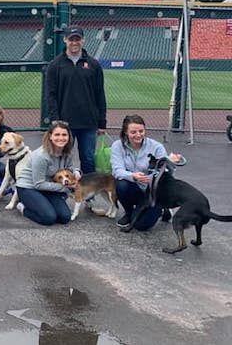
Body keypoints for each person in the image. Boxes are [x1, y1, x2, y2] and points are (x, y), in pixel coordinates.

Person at [46, 26, 107, 174]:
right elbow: (51, 94)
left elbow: (100, 94)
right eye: (71, 39)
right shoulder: (55, 65)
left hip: (89, 122)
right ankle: (62, 191)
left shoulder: (93, 65)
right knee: (62, 158)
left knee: (88, 159)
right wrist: (55, 120)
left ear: (83, 40)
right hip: (64, 123)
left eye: (77, 39)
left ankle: (87, 193)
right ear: (65, 40)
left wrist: (102, 122)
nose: (74, 42)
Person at [14, 121, 79, 226]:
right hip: (29, 187)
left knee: (65, 217)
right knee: (48, 218)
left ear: (69, 136)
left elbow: (70, 168)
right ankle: (23, 207)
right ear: (50, 136)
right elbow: (38, 184)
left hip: (48, 187)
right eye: (57, 134)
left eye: (64, 135)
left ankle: (43, 204)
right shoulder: (41, 156)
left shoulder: (68, 152)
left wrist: (76, 172)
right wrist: (65, 188)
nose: (61, 138)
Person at [110, 114, 168, 231]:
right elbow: (117, 170)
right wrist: (132, 176)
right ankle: (129, 212)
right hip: (134, 186)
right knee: (121, 184)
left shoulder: (157, 147)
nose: (138, 135)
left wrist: (152, 177)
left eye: (141, 131)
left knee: (141, 226)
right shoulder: (117, 146)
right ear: (126, 132)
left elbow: (166, 171)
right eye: (133, 132)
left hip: (153, 191)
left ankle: (163, 208)